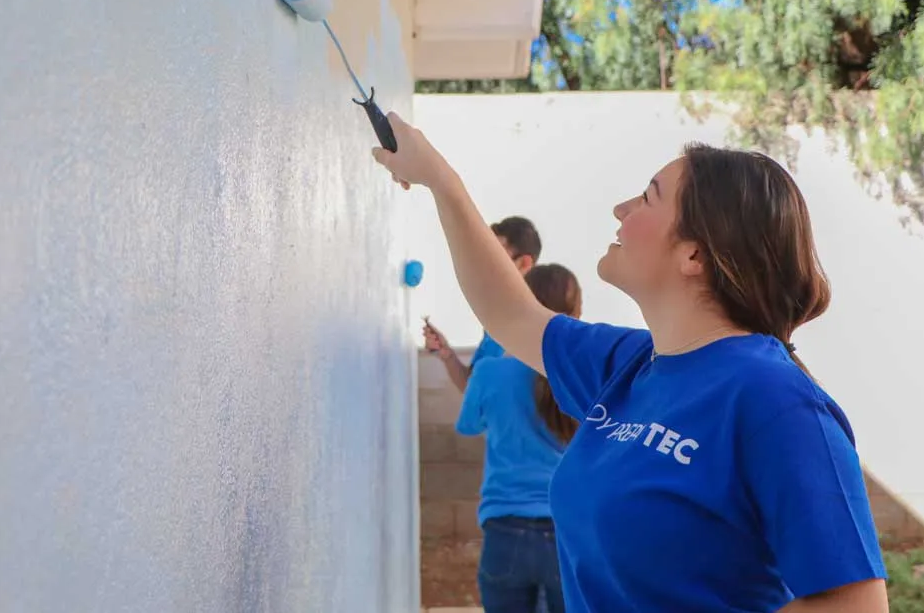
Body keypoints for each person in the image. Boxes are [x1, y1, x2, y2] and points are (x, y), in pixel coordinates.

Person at [374, 113, 889, 613]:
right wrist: (440, 181)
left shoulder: (776, 402)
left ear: (695, 256)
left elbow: (856, 604)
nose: (621, 209)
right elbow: (509, 313)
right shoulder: (627, 364)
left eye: (647, 197)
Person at [456, 263, 581, 613]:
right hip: (568, 537)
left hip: (504, 534)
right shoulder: (583, 376)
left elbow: (468, 425)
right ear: (573, 313)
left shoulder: (490, 371)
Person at [423, 216, 542, 391]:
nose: (486, 263)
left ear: (524, 263)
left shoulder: (531, 324)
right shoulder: (496, 314)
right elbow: (471, 386)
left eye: (496, 256)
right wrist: (447, 354)